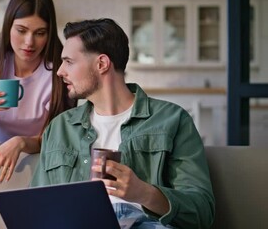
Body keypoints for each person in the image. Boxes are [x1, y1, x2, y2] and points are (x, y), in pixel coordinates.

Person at [30, 18, 215, 229]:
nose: (60, 71)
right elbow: (35, 208)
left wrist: (144, 193)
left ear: (101, 64)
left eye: (69, 62)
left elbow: (202, 213)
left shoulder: (172, 120)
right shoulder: (60, 128)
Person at [0, 0, 74, 183]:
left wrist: (20, 143)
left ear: (49, 33)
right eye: (21, 30)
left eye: (40, 33)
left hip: (44, 167)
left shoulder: (60, 69)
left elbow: (55, 140)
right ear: (8, 27)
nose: (29, 42)